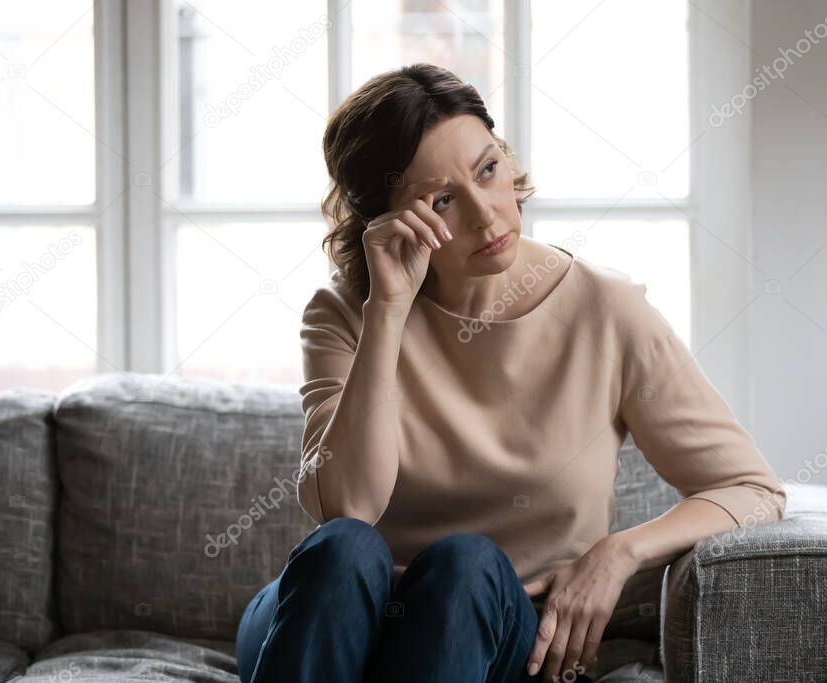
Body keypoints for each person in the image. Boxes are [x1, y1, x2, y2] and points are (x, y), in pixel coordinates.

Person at [236, 62, 787, 683]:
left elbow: (751, 489)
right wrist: (387, 311)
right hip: (328, 620)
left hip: (488, 625)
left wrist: (620, 551)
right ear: (384, 222)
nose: (487, 215)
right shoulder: (344, 314)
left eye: (488, 170)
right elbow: (350, 506)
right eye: (442, 200)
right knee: (343, 548)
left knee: (466, 564)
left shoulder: (608, 312)